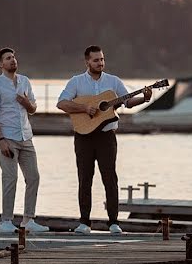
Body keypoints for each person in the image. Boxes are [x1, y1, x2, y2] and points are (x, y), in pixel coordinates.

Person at [56, 45, 152, 234]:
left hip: (106, 136)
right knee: (85, 179)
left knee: (110, 178)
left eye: (102, 59)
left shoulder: (113, 82)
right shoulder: (76, 82)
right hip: (83, 136)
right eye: (96, 60)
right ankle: (84, 223)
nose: (100, 63)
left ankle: (114, 222)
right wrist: (84, 109)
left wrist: (144, 98)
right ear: (87, 62)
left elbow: (127, 102)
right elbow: (61, 103)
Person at [0, 47, 49, 233]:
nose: (13, 60)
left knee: (33, 177)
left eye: (13, 57)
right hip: (8, 138)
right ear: (0, 64)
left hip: (26, 137)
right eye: (8, 58)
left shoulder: (25, 81)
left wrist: (26, 103)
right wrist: (1, 140)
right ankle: (5, 221)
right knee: (10, 178)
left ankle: (28, 220)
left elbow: (33, 108)